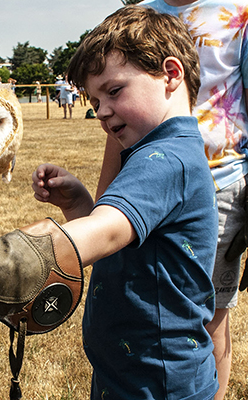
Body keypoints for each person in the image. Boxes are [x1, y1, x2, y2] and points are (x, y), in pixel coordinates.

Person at [32, 6, 218, 398]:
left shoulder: (166, 160)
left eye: (113, 91)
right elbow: (120, 244)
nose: (101, 111)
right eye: (94, 99)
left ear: (171, 74)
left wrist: (14, 258)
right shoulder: (157, 153)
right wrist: (80, 202)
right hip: (129, 372)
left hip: (157, 383)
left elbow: (107, 232)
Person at [93, 2, 248, 398]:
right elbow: (117, 130)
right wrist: (101, 203)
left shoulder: (238, 11)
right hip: (144, 175)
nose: (101, 110)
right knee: (138, 295)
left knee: (206, 317)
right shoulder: (139, 15)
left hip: (223, 180)